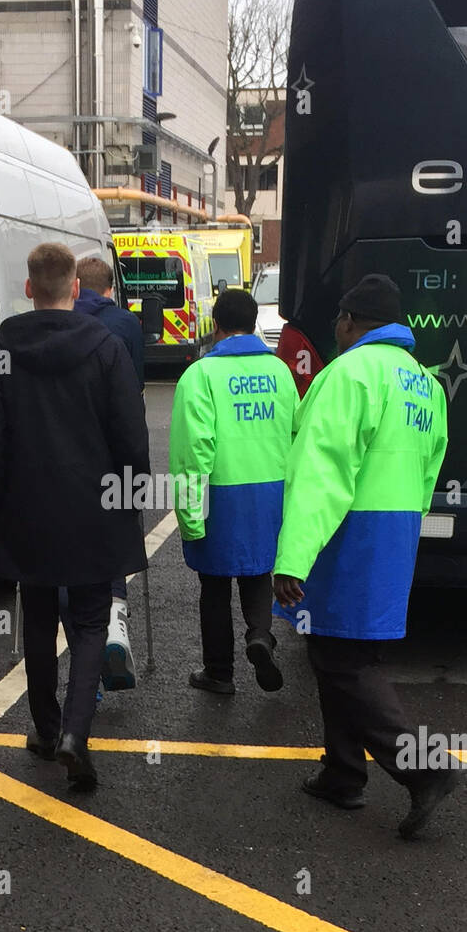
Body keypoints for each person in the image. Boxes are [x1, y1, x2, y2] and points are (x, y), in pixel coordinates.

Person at [273, 273, 452, 839]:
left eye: (338, 320)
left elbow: (321, 475)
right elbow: (430, 468)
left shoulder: (347, 374)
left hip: (347, 531)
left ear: (349, 320)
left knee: (342, 661)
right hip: (394, 530)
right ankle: (343, 774)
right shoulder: (423, 382)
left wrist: (292, 559)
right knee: (343, 651)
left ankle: (423, 770)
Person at [0, 242, 149, 791]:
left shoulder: (2, 351)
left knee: (40, 616)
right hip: (96, 506)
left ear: (29, 288)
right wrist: (131, 495)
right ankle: (76, 732)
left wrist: (1, 506)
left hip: (28, 507)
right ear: (76, 288)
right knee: (92, 620)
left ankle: (46, 728)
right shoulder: (106, 346)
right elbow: (130, 435)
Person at [169, 287, 298, 694]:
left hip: (220, 493)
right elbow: (295, 431)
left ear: (216, 325)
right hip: (270, 490)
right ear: (255, 323)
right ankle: (260, 634)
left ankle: (219, 672)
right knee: (259, 571)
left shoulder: (201, 375)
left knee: (214, 584)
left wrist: (190, 516)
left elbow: (194, 451)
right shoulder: (279, 371)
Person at [73, 255, 144, 692]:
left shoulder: (52, 321)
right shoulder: (126, 326)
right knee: (114, 542)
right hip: (111, 459)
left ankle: (82, 675)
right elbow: (134, 393)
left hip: (61, 463)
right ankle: (115, 621)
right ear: (109, 289)